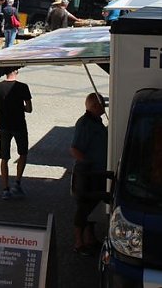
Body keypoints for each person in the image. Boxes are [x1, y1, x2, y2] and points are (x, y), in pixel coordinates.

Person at [70, 92, 110, 255]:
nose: (104, 108)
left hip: (96, 172)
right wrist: (89, 164)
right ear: (94, 106)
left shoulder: (96, 121)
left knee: (92, 207)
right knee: (84, 208)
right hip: (87, 174)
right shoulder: (85, 124)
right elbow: (74, 149)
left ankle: (90, 239)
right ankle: (79, 243)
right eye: (101, 105)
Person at [0, 69, 33, 200]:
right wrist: (21, 107)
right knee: (23, 153)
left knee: (4, 157)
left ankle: (5, 189)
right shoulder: (23, 87)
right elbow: (29, 109)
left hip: (3, 126)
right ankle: (17, 183)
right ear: (16, 71)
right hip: (19, 124)